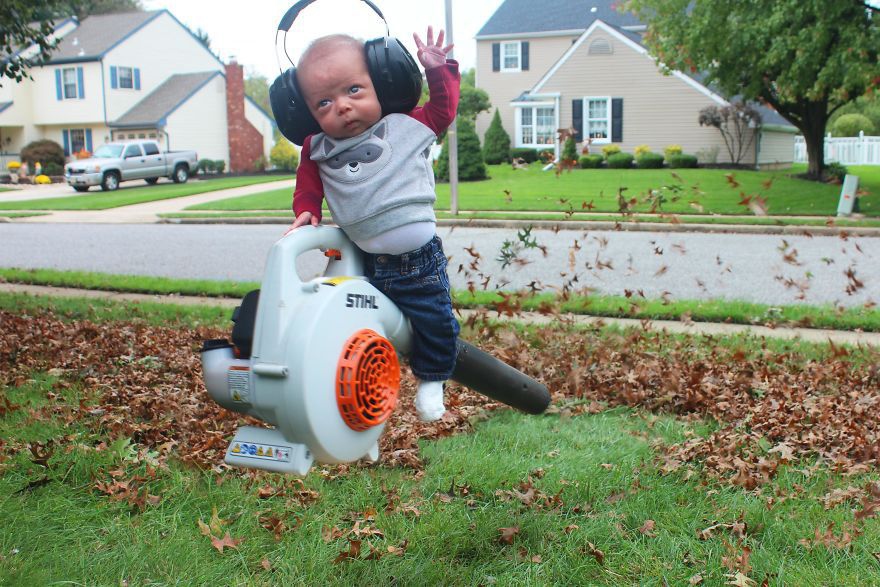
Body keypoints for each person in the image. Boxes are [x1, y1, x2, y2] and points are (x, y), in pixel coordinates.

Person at [285, 27, 459, 422]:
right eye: (324, 103)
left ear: (381, 83)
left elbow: (444, 110)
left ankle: (432, 379)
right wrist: (307, 209)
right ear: (304, 112)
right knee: (357, 331)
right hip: (364, 262)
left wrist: (437, 70)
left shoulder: (406, 124)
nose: (342, 107)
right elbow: (307, 183)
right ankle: (362, 402)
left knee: (435, 320)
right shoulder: (317, 149)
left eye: (354, 91)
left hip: (419, 261)